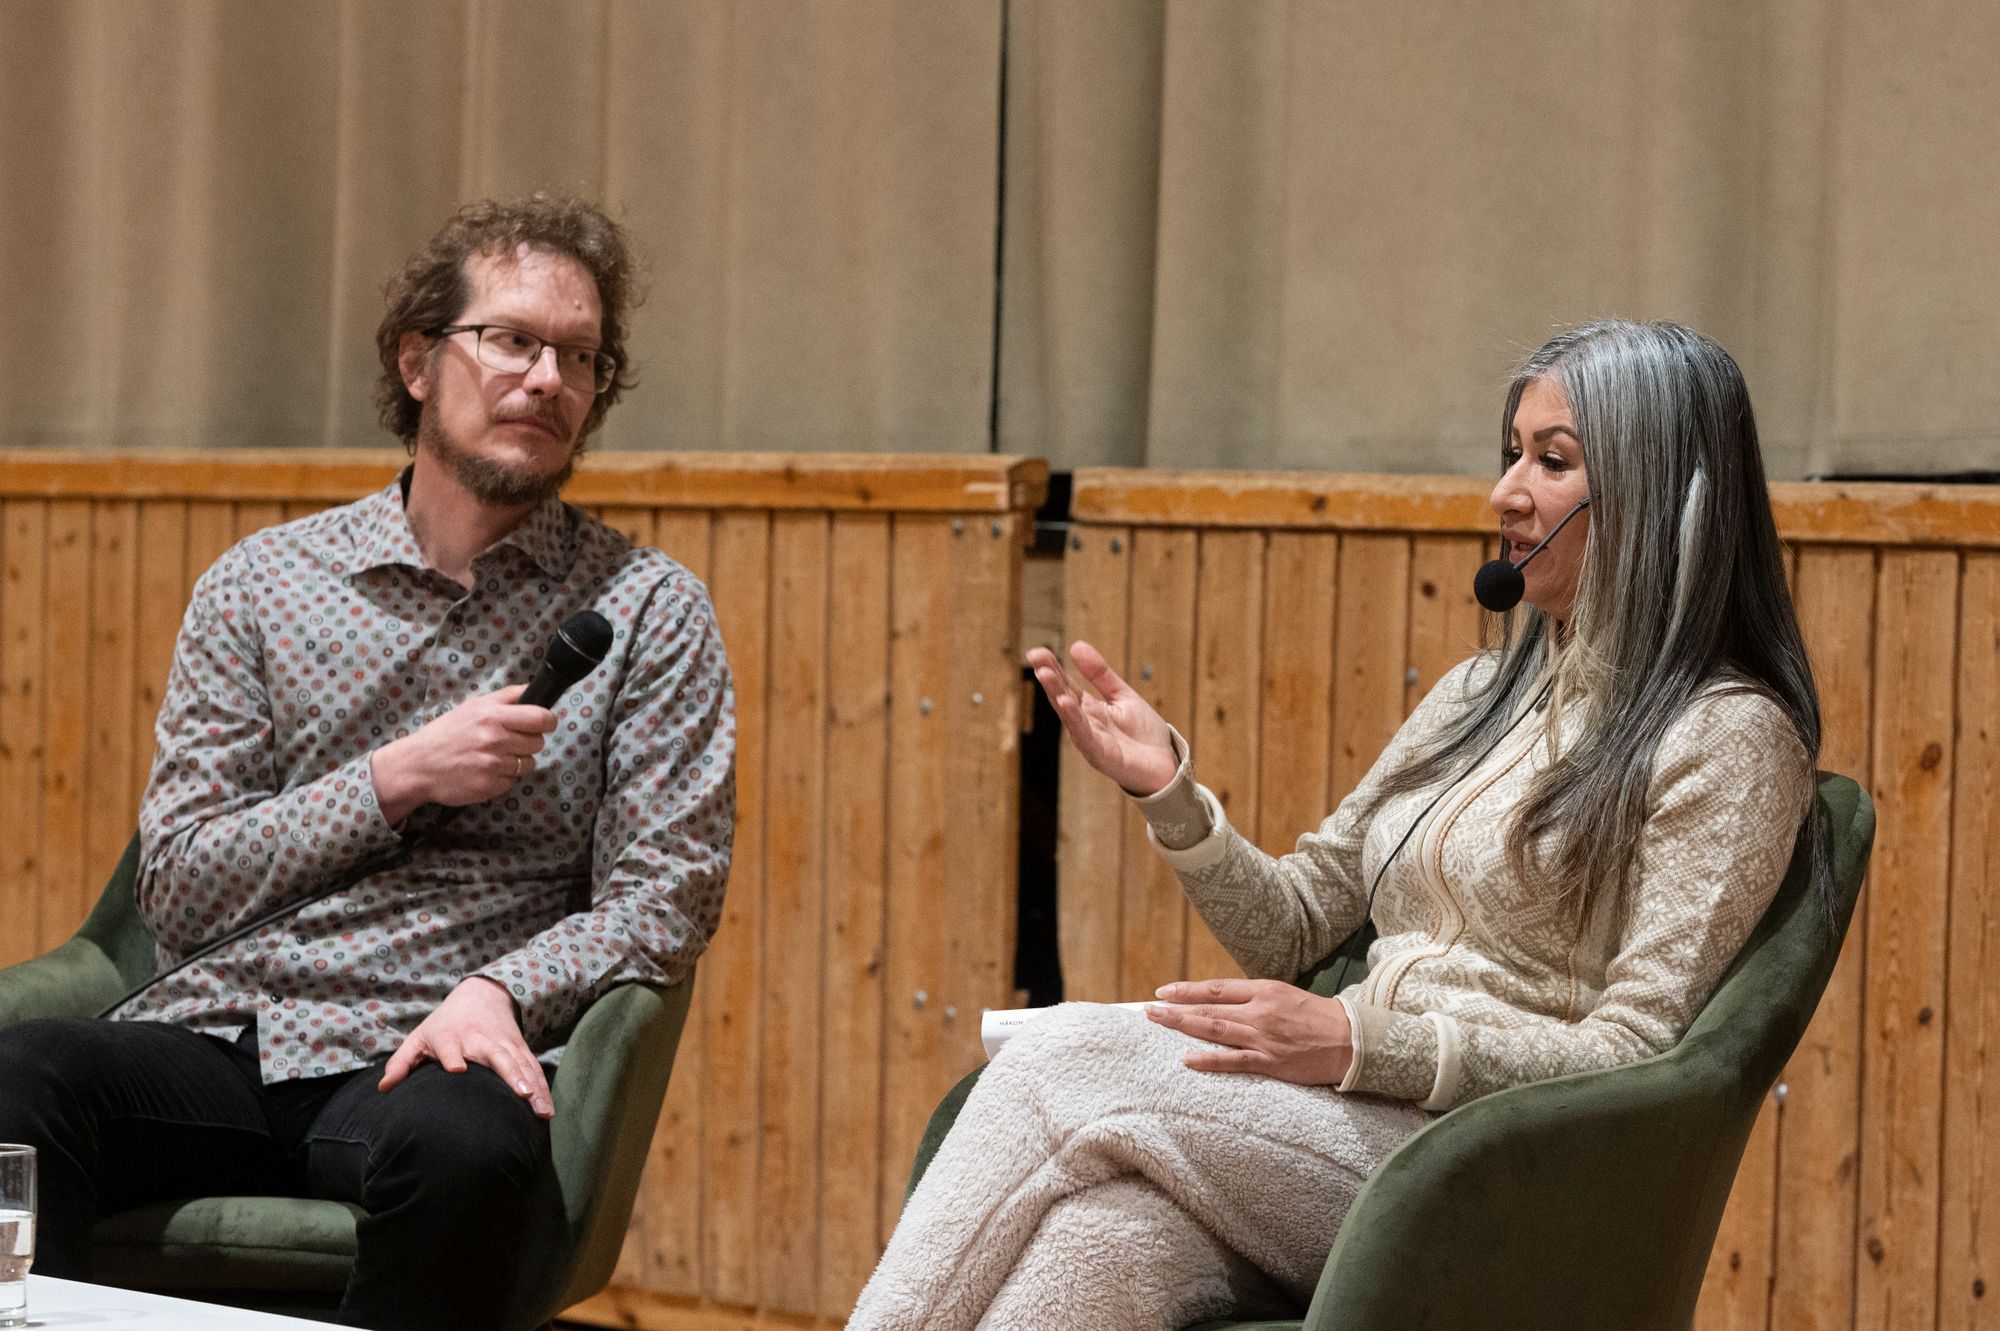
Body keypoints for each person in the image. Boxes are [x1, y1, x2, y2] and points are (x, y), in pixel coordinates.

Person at [847, 320, 1822, 1330]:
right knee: (1101, 1240)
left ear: (1664, 491)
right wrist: (1167, 794)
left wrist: (1361, 1038)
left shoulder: (1726, 735)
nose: (1505, 491)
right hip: (1347, 1129)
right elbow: (1292, 924)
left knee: (1058, 1065)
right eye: (1509, 453)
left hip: (1493, 1168)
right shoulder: (1477, 691)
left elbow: (1639, 1055)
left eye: (1551, 460)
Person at [0, 195, 735, 1331]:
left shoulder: (647, 611)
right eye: (512, 340)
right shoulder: (263, 584)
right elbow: (180, 882)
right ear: (416, 360)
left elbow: (667, 892)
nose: (548, 378)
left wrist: (501, 988)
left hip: (435, 1042)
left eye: (580, 356)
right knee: (21, 1079)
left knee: (467, 1147)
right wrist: (396, 776)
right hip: (230, 1034)